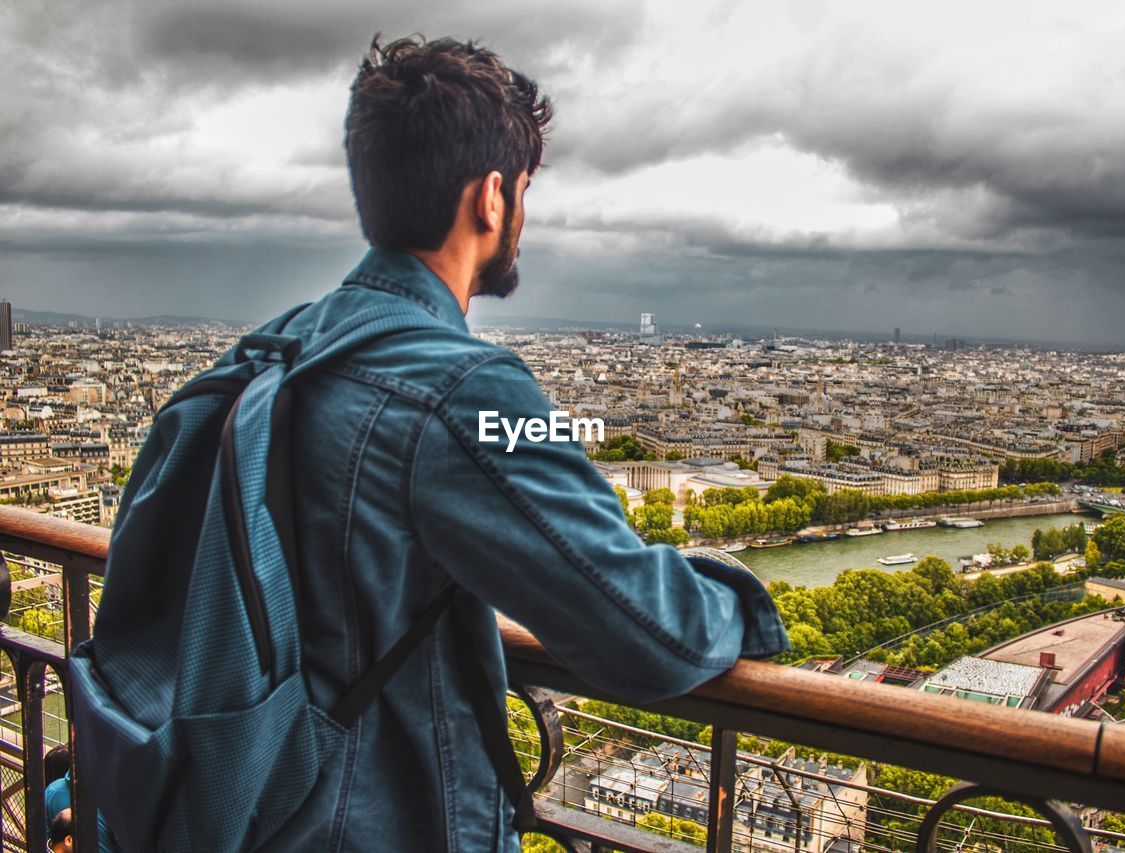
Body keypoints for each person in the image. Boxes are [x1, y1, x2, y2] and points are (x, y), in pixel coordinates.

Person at [245, 35, 789, 849]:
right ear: (493, 198)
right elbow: (646, 631)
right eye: (525, 194)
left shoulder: (276, 349)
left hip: (244, 796)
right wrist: (744, 604)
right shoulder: (472, 390)